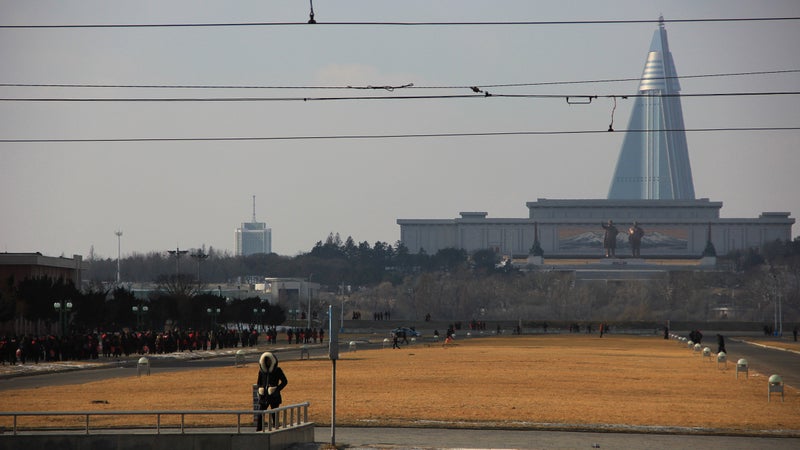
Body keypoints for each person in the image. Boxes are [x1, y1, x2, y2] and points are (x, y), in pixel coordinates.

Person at [255, 351, 288, 431]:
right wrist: (261, 389)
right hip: (264, 396)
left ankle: (276, 429)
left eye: (269, 360)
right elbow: (258, 383)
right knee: (260, 414)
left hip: (274, 396)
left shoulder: (277, 370)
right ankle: (259, 430)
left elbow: (285, 381)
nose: (268, 362)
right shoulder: (261, 371)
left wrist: (276, 389)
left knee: (274, 414)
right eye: (266, 360)